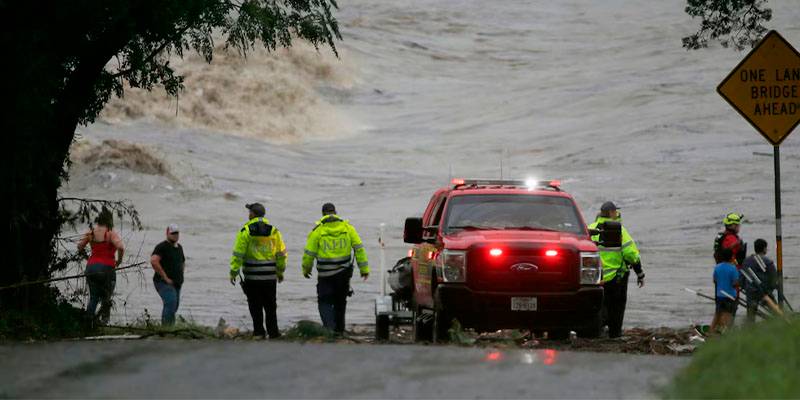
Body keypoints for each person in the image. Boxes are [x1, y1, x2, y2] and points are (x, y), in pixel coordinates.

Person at [302, 203, 369, 335]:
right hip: (343, 274)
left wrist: (306, 270)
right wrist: (364, 269)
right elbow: (359, 249)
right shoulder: (348, 228)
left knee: (324, 301)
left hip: (325, 274)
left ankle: (329, 328)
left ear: (323, 214)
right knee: (340, 302)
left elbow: (309, 254)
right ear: (336, 212)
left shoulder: (317, 231)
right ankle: (339, 330)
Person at [230, 203, 287, 339]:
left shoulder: (246, 230)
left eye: (249, 212)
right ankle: (273, 333)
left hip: (252, 276)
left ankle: (259, 332)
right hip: (269, 276)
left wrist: (233, 272)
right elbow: (281, 253)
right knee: (270, 305)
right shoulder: (274, 231)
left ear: (253, 214)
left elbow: (238, 253)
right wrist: (280, 272)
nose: (248, 214)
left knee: (255, 305)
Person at [588, 201, 644, 338]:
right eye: (616, 211)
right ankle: (615, 334)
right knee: (617, 308)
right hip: (616, 278)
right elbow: (631, 254)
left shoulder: (590, 228)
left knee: (597, 307)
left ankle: (595, 332)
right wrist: (640, 273)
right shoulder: (620, 230)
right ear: (612, 213)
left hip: (595, 278)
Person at [77, 207, 125, 325]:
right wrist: (118, 261)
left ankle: (88, 323)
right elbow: (121, 247)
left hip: (91, 268)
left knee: (93, 297)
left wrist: (87, 258)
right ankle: (103, 323)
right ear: (109, 221)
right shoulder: (110, 234)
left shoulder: (91, 233)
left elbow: (79, 247)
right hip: (106, 269)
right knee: (106, 298)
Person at [150, 223, 186, 326]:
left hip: (177, 282)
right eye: (173, 233)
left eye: (176, 233)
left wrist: (181, 274)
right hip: (163, 282)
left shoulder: (179, 248)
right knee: (170, 302)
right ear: (167, 233)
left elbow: (183, 261)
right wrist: (165, 277)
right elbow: (154, 261)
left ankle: (171, 328)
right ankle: (165, 328)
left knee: (174, 306)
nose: (175, 235)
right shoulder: (162, 247)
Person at [741, 238, 777, 324]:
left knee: (750, 315)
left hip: (751, 291)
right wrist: (770, 289)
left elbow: (743, 276)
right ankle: (780, 325)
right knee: (775, 310)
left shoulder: (747, 261)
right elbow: (773, 277)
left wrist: (745, 287)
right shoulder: (768, 262)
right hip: (764, 292)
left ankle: (750, 332)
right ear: (764, 248)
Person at [710, 247, 740, 335]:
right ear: (732, 257)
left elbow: (715, 280)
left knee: (717, 313)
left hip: (719, 295)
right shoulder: (733, 268)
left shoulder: (717, 267)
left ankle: (711, 331)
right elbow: (735, 283)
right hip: (730, 295)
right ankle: (725, 333)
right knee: (727, 315)